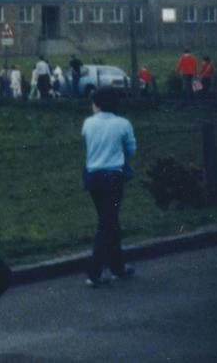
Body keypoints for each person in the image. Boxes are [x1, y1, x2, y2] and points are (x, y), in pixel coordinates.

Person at [81, 87, 136, 287]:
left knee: (109, 220)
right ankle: (94, 272)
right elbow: (131, 149)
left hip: (93, 175)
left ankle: (117, 267)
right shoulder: (123, 124)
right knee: (108, 222)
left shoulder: (88, 123)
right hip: (113, 175)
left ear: (97, 104)